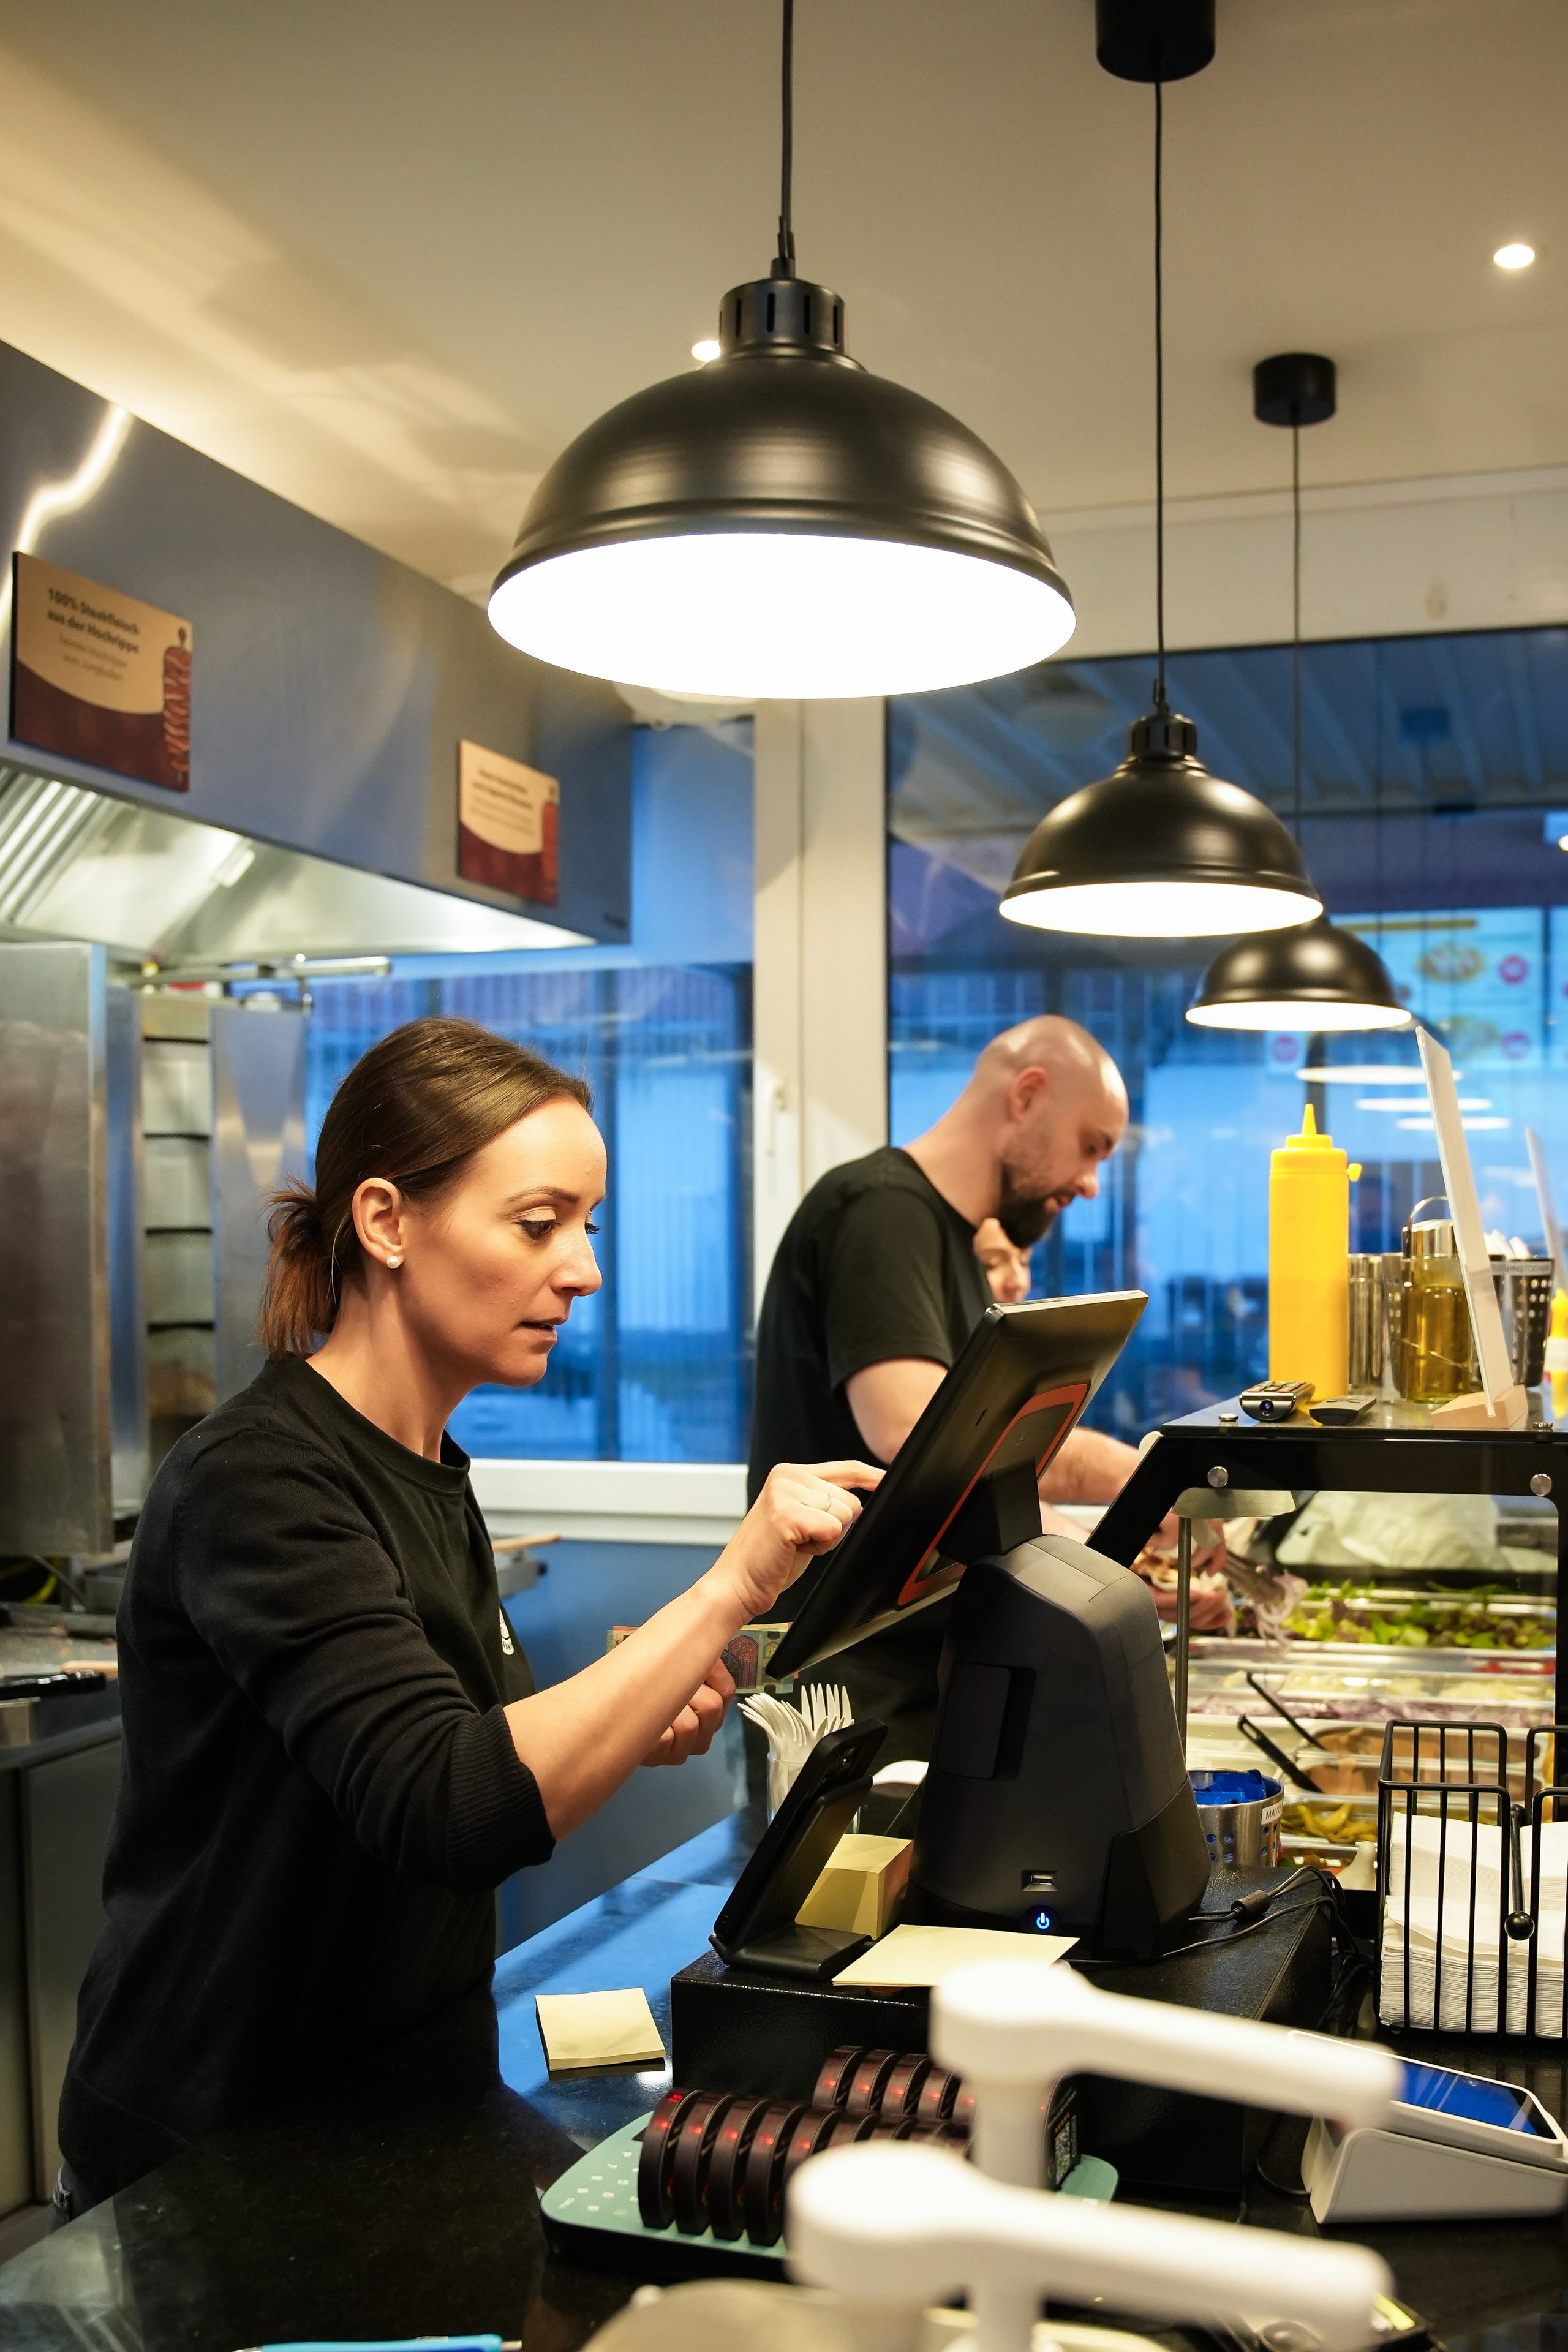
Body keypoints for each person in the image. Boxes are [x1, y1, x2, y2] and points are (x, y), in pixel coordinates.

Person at [56, 1018, 876, 2214]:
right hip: (217, 2148)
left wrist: (635, 1702)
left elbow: (456, 1732)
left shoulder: (430, 1463)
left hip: (387, 2106)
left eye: (587, 1226)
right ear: (387, 1222)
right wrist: (729, 1588)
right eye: (538, 1222)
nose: (583, 1268)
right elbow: (453, 1804)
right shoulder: (262, 1479)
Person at [748, 1014, 1146, 1757]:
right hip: (847, 1683)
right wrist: (1138, 1482)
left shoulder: (955, 1245)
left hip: (914, 1667)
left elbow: (983, 1468)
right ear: (1026, 1096)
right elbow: (923, 1432)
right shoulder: (880, 1211)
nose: (1091, 1184)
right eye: (1090, 1147)